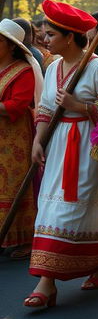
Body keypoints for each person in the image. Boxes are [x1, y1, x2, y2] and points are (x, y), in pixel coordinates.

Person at [25, 0, 98, 309]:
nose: (44, 39)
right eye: (43, 33)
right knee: (50, 206)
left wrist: (80, 106)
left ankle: (47, 282)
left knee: (76, 208)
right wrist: (37, 142)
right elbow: (45, 109)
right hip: (56, 145)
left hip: (88, 146)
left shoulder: (96, 68)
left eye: (51, 34)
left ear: (69, 37)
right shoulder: (52, 66)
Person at [0, 19, 43, 260]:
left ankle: (24, 238)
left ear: (12, 46)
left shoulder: (23, 70)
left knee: (15, 185)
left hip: (15, 138)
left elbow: (17, 105)